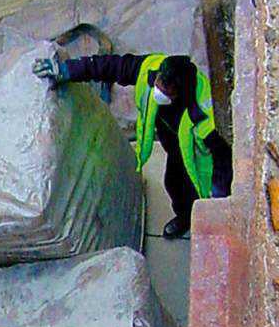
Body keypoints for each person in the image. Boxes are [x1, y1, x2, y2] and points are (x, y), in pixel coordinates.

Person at [33, 50, 232, 240]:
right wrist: (67, 70)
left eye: (165, 90)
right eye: (158, 83)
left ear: (178, 93)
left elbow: (223, 160)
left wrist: (218, 196)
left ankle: (206, 224)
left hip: (201, 163)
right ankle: (185, 218)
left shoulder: (207, 115)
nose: (157, 91)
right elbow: (111, 66)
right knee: (174, 184)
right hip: (176, 149)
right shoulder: (150, 70)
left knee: (204, 199)